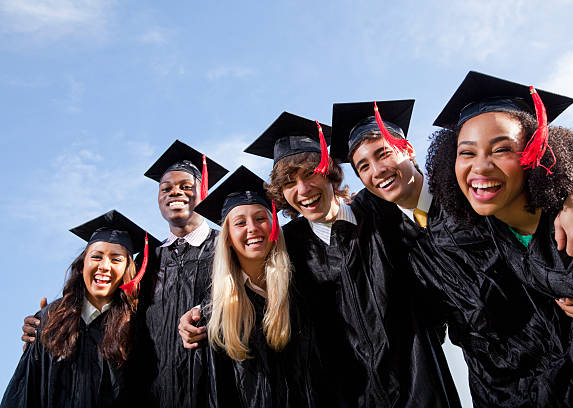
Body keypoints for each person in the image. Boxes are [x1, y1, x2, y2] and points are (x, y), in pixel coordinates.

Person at [330, 74, 573, 406]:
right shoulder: (386, 232)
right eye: (363, 166)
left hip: (561, 349)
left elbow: (568, 155)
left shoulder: (472, 185)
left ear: (407, 148)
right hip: (495, 380)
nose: (376, 170)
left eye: (383, 154)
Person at [243, 112, 460, 407]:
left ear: (330, 173)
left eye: (310, 173)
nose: (303, 190)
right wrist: (198, 311)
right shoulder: (287, 247)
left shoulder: (382, 212)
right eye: (289, 184)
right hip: (347, 395)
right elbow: (248, 282)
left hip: (420, 386)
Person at [20, 140, 229, 408]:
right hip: (153, 396)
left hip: (217, 388)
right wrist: (50, 323)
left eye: (186, 186)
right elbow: (108, 313)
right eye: (166, 188)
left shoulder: (227, 249)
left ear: (204, 190)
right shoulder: (146, 263)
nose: (175, 192)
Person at [188, 165, 329, 406]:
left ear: (274, 226)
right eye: (240, 223)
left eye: (261, 218)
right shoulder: (215, 315)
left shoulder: (304, 288)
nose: (253, 228)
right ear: (228, 239)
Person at [2, 210, 159, 408]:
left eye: (116, 259)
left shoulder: (136, 328)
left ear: (128, 270)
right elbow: (25, 391)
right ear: (82, 263)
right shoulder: (49, 320)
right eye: (96, 256)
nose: (104, 266)